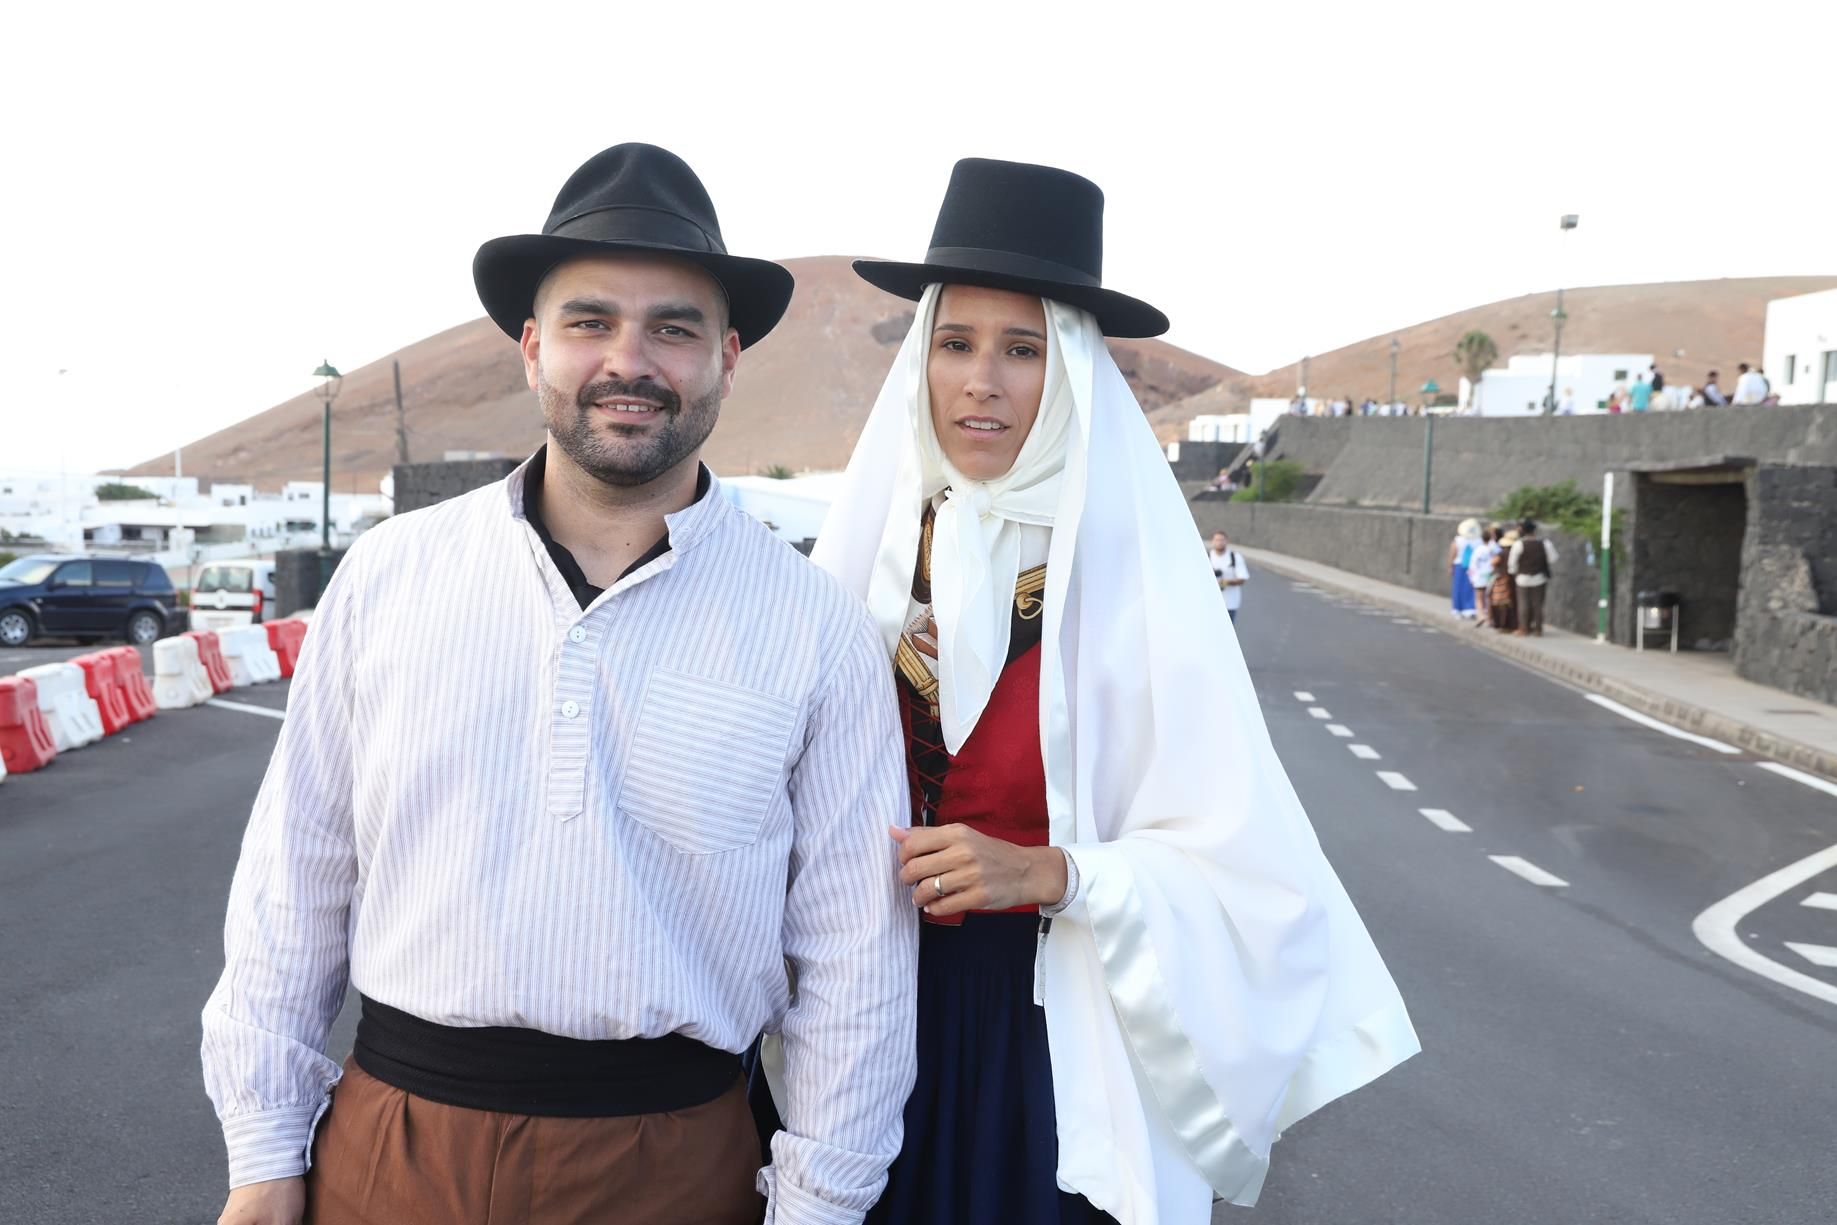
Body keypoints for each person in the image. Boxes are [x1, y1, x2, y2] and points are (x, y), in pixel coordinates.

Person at [202, 144, 918, 1225]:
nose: (629, 360)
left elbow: (856, 960)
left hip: (675, 1167)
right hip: (393, 1149)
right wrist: (263, 1149)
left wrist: (820, 1205)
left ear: (727, 356)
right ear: (533, 347)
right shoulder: (389, 576)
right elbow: (294, 879)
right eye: (589, 322)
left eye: (673, 327)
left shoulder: (811, 625)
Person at [780, 157, 1417, 1225]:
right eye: (956, 343)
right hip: (862, 1035)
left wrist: (1056, 870)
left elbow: (1247, 876)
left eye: (1021, 349)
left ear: (1068, 370)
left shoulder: (1137, 589)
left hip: (1050, 1044)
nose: (982, 379)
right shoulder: (859, 565)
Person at [1508, 517, 1558, 636]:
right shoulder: (1545, 543)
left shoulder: (1519, 544)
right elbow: (1553, 558)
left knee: (1523, 603)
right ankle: (1538, 628)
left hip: (1522, 578)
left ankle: (1524, 628)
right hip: (1539, 577)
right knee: (1538, 604)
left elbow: (1512, 563)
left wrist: (1514, 572)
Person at [1208, 529, 1250, 623]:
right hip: (1210, 604)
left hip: (1230, 604)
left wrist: (1224, 583)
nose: (1219, 542)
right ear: (1212, 541)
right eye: (1217, 540)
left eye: (1222, 540)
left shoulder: (1235, 557)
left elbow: (1242, 578)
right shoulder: (1207, 557)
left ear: (1226, 541)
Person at [1467, 524, 1499, 626]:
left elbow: (1473, 564)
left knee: (1479, 598)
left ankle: (1481, 615)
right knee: (1489, 598)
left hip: (1479, 577)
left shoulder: (1478, 550)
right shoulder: (1494, 549)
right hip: (1491, 575)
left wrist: (1472, 577)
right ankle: (1490, 618)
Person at [1448, 519, 1479, 618]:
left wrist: (1450, 566)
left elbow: (1453, 554)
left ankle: (1458, 608)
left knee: (1458, 587)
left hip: (1460, 566)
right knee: (1470, 588)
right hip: (1473, 567)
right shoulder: (1478, 541)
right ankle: (1469, 608)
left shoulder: (1458, 540)